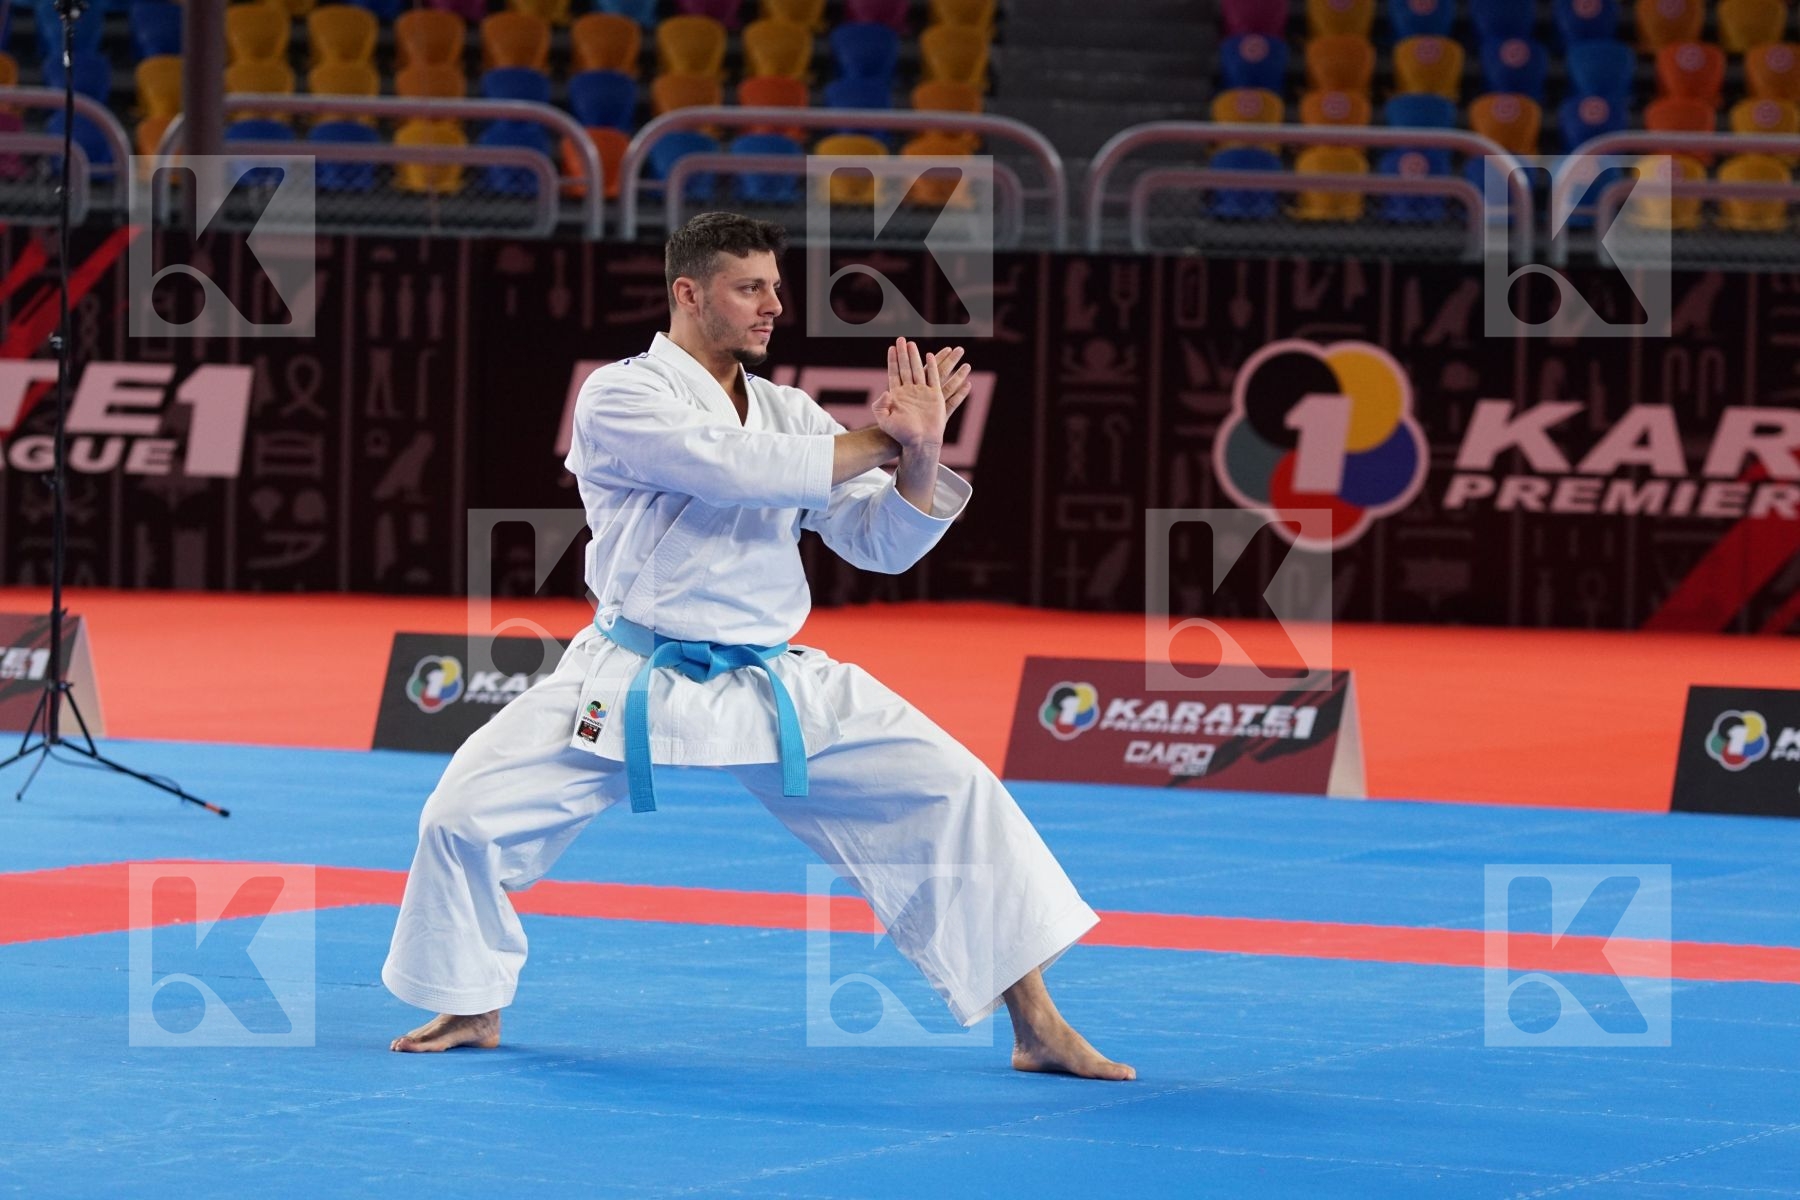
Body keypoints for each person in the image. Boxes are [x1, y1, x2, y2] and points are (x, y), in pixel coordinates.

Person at [382, 212, 1133, 1082]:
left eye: (776, 287)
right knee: (462, 816)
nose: (775, 305)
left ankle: (1037, 1025)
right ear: (688, 293)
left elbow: (879, 543)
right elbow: (731, 466)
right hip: (632, 671)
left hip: (768, 678)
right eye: (750, 288)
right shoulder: (620, 395)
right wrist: (890, 439)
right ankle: (471, 1001)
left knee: (954, 793)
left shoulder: (788, 410)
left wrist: (921, 457)